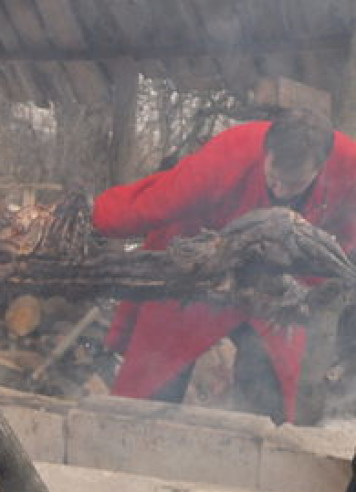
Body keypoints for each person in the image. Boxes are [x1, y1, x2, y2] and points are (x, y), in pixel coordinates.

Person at [93, 109, 356, 423]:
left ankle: (258, 442)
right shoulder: (228, 155)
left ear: (320, 168)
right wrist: (94, 219)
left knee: (272, 379)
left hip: (277, 286)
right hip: (196, 271)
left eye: (294, 184)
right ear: (266, 153)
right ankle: (133, 435)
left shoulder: (349, 164)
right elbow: (153, 202)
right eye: (274, 178)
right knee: (156, 373)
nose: (281, 191)